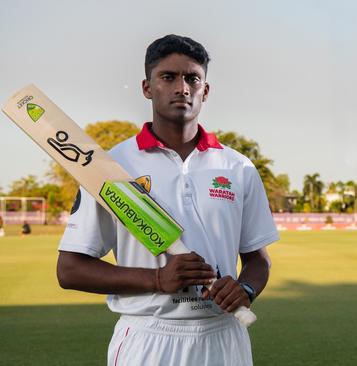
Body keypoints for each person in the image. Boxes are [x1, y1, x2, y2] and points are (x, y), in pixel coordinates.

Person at [57, 35, 279, 366]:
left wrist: (246, 289)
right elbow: (70, 270)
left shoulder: (238, 167)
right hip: (149, 339)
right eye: (168, 77)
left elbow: (258, 260)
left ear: (205, 90)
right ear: (147, 87)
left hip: (226, 336)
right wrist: (157, 280)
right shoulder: (111, 167)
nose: (182, 88)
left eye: (192, 78)